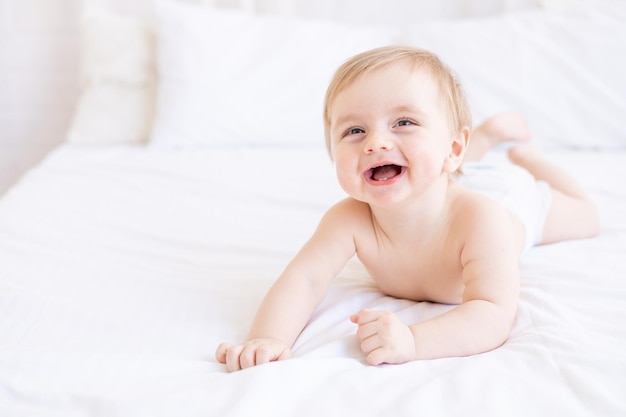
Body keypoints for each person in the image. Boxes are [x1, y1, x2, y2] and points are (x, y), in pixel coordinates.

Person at [215, 46, 598, 371]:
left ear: (452, 147)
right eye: (354, 131)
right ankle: (484, 139)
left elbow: (493, 312)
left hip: (512, 198)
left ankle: (527, 158)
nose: (375, 143)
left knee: (587, 219)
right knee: (437, 170)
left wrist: (414, 340)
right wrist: (268, 337)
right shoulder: (348, 219)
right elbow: (305, 279)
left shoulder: (484, 220)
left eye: (403, 122)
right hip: (449, 176)